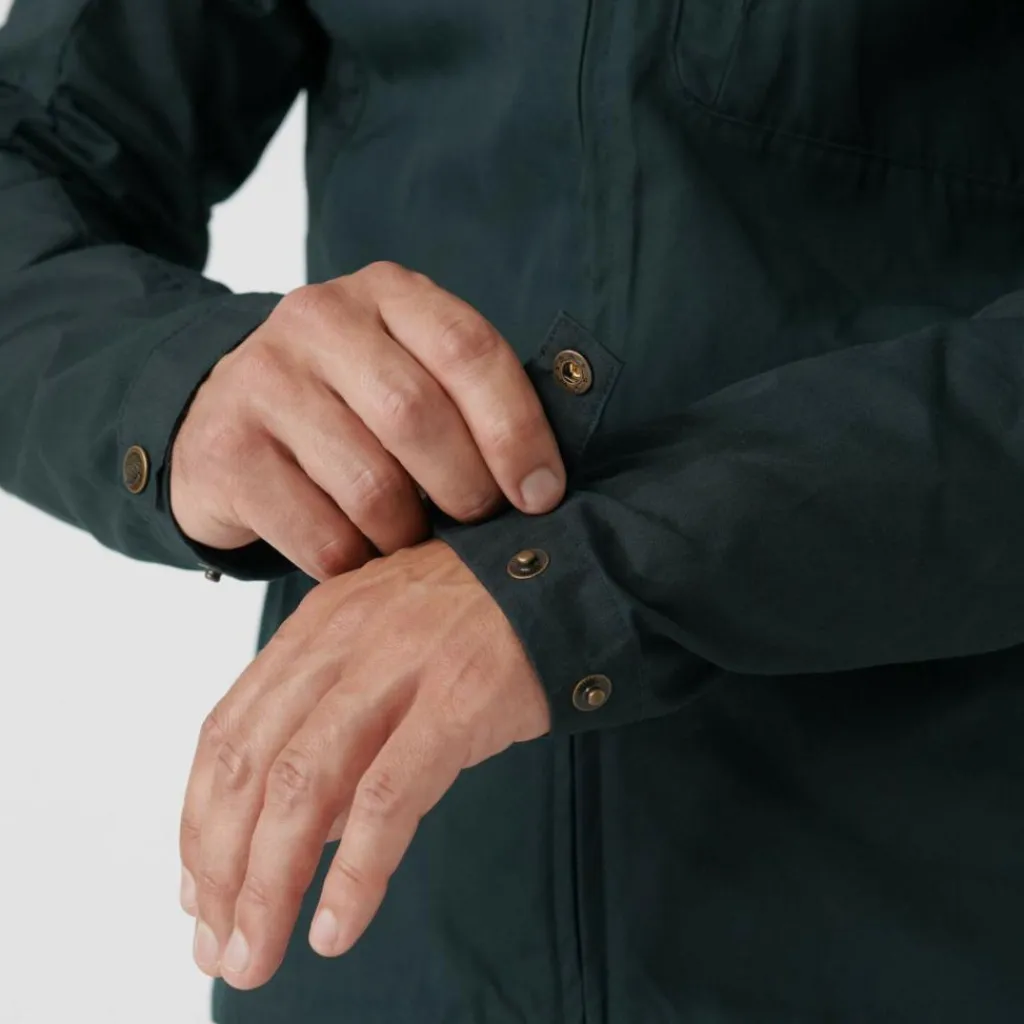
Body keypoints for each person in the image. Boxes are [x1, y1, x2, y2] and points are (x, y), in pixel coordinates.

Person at [3, 0, 1024, 1021]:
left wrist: (586, 573)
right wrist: (180, 386)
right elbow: (30, 160)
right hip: (380, 928)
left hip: (918, 920)